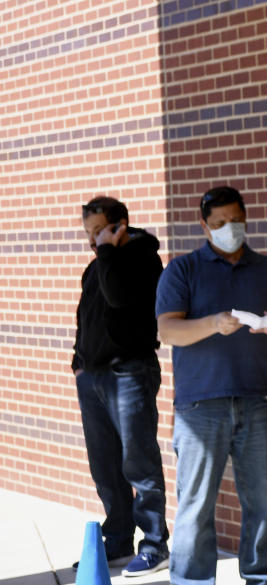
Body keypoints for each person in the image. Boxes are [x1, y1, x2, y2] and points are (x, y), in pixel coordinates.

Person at [155, 186, 267, 585]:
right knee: (196, 505)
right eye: (218, 224)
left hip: (259, 400)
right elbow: (167, 330)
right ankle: (192, 581)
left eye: (234, 221)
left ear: (245, 218)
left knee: (263, 504)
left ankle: (263, 578)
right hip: (201, 407)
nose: (228, 229)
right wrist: (214, 323)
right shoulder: (182, 270)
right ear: (204, 225)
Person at [72, 196, 169, 577]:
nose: (92, 241)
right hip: (93, 379)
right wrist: (77, 363)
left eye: (99, 231)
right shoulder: (97, 266)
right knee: (105, 465)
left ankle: (154, 543)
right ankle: (116, 540)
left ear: (120, 226)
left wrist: (108, 251)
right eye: (89, 234)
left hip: (130, 373)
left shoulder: (143, 258)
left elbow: (117, 296)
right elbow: (86, 318)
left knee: (138, 461)